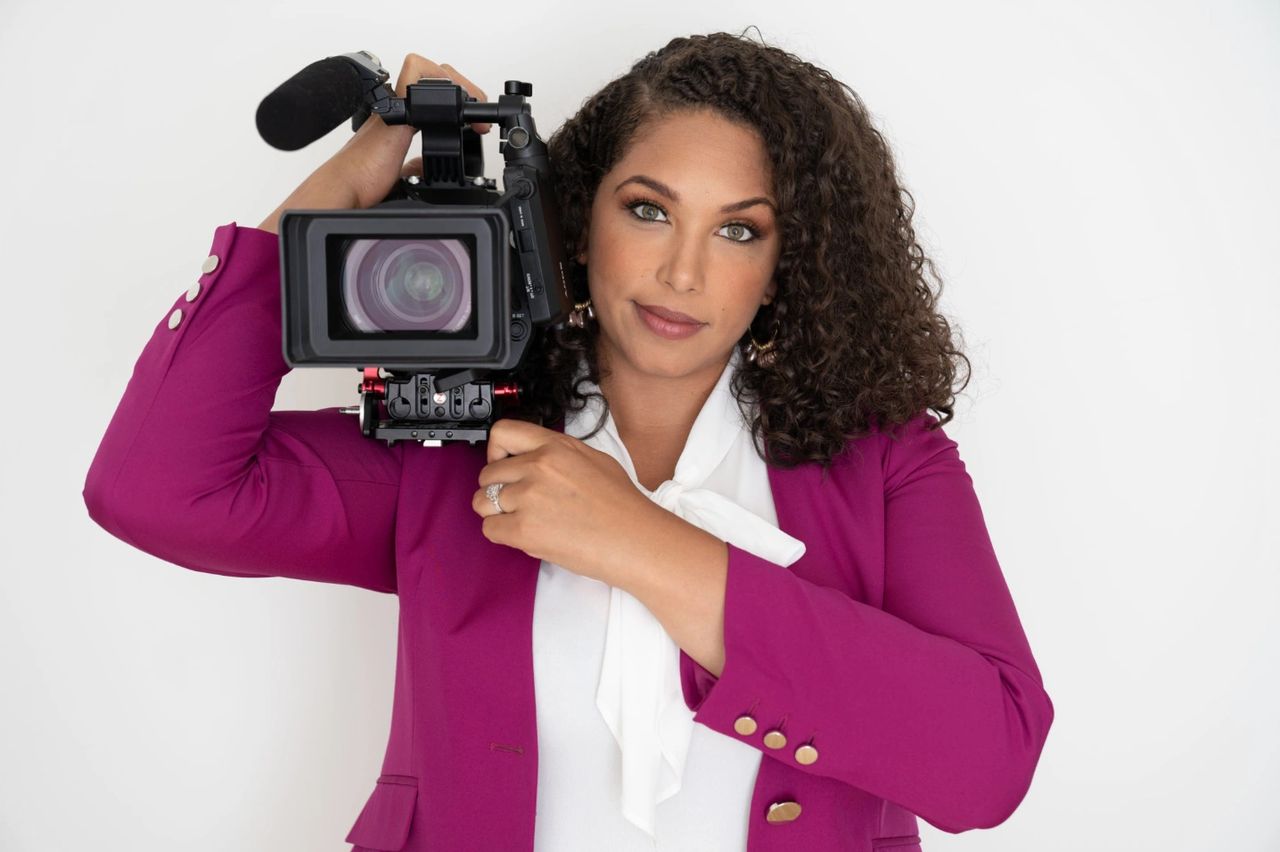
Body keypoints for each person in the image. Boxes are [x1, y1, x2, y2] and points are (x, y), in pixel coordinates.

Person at [83, 30, 1054, 852]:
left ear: (790, 261)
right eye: (647, 210)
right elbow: (157, 490)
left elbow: (987, 765)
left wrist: (639, 543)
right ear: (577, 217)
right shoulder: (455, 444)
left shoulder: (880, 460)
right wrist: (351, 175)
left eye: (738, 230)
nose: (680, 271)